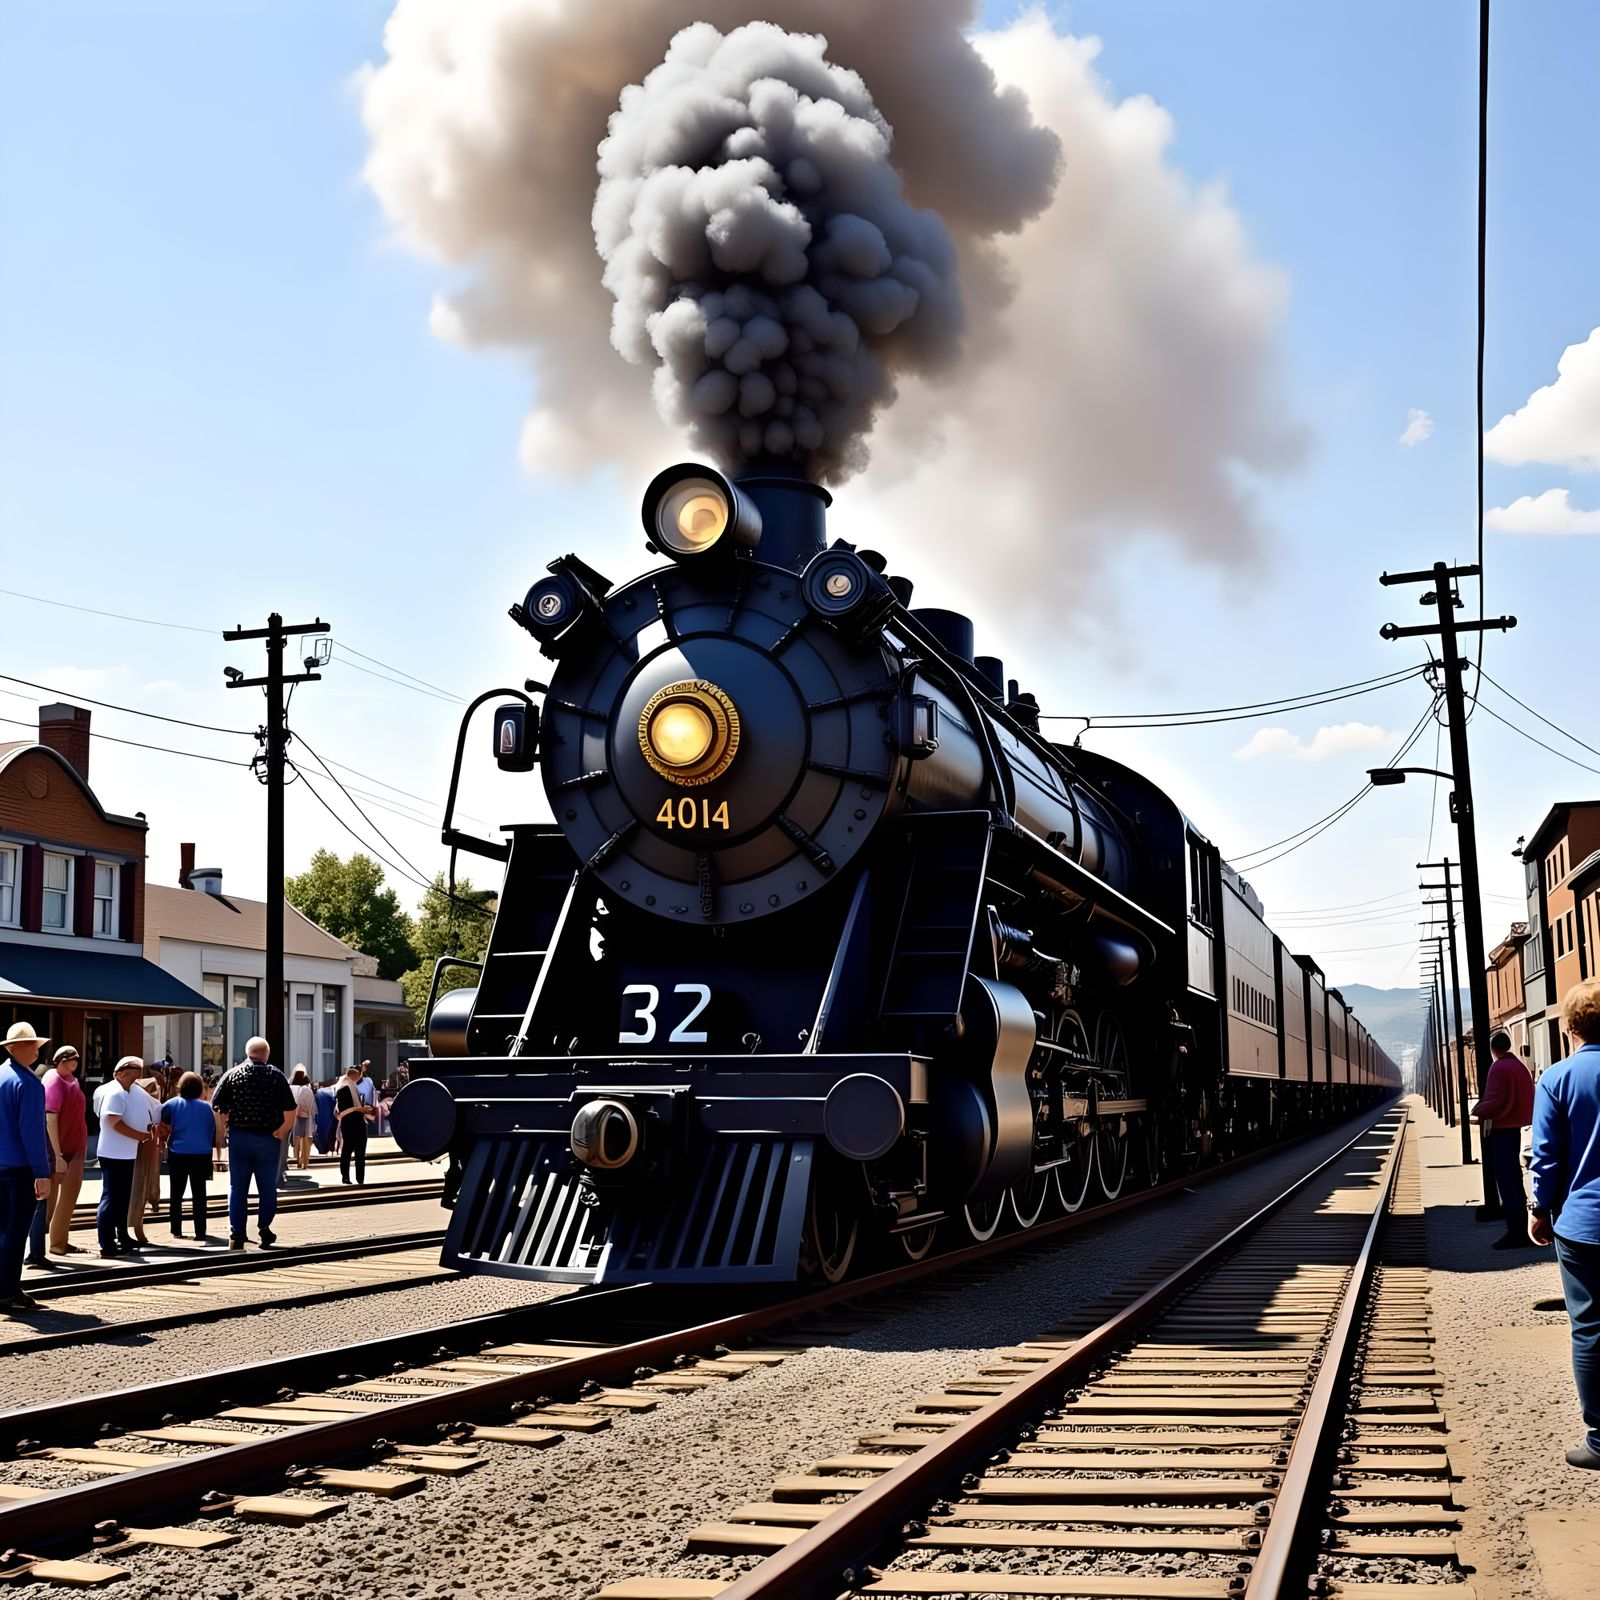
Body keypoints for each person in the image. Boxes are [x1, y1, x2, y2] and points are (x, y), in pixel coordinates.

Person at [1530, 978, 1600, 1470]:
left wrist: (1539, 1209)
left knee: (1592, 1327)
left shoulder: (1557, 1078)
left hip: (1584, 1224)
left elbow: (1548, 1157)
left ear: (1570, 1026)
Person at [210, 1036, 296, 1250]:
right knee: (267, 1188)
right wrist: (282, 1131)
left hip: (239, 1137)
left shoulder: (232, 1074)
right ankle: (264, 1228)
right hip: (268, 1138)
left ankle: (236, 1233)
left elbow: (216, 1104)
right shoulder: (275, 1075)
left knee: (237, 1188)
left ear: (247, 1053)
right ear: (266, 1054)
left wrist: (226, 1125)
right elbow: (290, 1109)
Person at [0, 1022, 52, 1313]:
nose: (37, 1048)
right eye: (32, 1043)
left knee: (2, 1230)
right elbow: (32, 1133)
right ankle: (7, 1291)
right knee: (15, 1231)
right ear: (15, 1047)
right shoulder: (29, 1084)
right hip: (19, 1168)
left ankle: (6, 1286)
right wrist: (42, 1172)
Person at [1473, 1029, 1536, 1249]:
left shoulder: (1499, 1067)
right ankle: (1520, 1227)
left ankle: (1516, 1231)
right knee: (1514, 1178)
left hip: (1502, 1128)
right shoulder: (1519, 1066)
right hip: (1516, 1127)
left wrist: (1478, 1109)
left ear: (1493, 1049)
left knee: (1507, 1180)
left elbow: (1496, 1100)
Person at [26, 1045, 87, 1262]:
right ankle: (44, 1246)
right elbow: (50, 1118)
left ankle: (59, 1240)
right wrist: (58, 1154)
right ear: (62, 1060)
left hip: (75, 1145)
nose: (76, 1063)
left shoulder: (72, 1080)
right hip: (59, 1149)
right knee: (48, 1198)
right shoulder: (53, 1080)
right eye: (73, 1060)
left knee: (68, 1197)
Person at [96, 1057, 154, 1258]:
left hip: (125, 1152)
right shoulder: (115, 1093)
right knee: (111, 1197)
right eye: (134, 1068)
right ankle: (106, 1241)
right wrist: (140, 1136)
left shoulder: (130, 1091)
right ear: (121, 1072)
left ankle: (122, 1235)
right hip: (113, 1152)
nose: (138, 1072)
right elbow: (114, 1122)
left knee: (122, 1197)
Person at [161, 1073, 216, 1238]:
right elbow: (211, 1129)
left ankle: (176, 1229)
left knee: (176, 1194)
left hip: (178, 1153)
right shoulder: (207, 1107)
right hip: (201, 1154)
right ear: (200, 1089)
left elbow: (163, 1126)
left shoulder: (170, 1105)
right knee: (199, 1194)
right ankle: (200, 1231)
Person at [129, 1075, 165, 1244]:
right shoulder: (152, 1104)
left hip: (135, 1151)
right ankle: (135, 1229)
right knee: (139, 1191)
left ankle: (132, 1229)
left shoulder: (131, 1099)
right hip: (144, 1154)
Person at [335, 1063, 375, 1185]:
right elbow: (346, 1109)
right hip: (354, 1123)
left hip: (351, 1123)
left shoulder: (345, 1086)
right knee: (357, 1152)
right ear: (353, 1077)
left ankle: (348, 1177)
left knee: (349, 1151)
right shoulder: (345, 1088)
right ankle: (358, 1178)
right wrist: (361, 1110)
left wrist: (360, 1109)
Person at [289, 1066, 316, 1171]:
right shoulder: (307, 1089)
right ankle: (305, 1161)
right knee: (306, 1139)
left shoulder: (290, 1088)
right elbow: (312, 1105)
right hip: (306, 1115)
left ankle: (297, 1158)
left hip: (293, 1115)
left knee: (296, 1137)